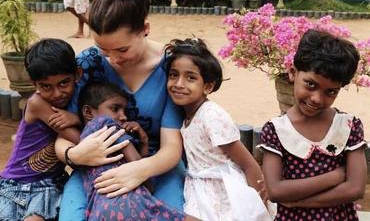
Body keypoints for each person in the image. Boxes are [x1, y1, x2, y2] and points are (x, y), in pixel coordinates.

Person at [55, 0, 186, 220]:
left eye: (122, 49)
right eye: (104, 50)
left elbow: (171, 148)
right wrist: (75, 155)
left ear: (145, 29)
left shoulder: (171, 67)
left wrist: (139, 169)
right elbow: (63, 139)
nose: (113, 59)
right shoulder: (89, 63)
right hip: (95, 168)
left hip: (157, 165)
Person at [258, 29, 368, 220]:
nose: (317, 98)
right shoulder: (276, 130)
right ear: (293, 73)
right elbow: (276, 191)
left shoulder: (348, 126)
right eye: (310, 84)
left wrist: (298, 201)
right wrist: (336, 176)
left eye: (331, 92)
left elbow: (355, 188)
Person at [166, 38, 272, 220]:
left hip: (223, 191)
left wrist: (257, 205)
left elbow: (248, 163)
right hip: (198, 187)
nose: (179, 84)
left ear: (207, 86)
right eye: (174, 75)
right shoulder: (187, 115)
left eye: (190, 77)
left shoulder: (211, 116)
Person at [77, 82, 195, 220]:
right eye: (115, 109)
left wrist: (142, 143)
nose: (123, 116)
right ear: (88, 112)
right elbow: (144, 178)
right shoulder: (106, 124)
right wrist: (144, 142)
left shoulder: (82, 143)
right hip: (128, 203)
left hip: (99, 211)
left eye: (124, 111)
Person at [0, 39, 81, 221]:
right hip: (17, 183)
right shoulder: (38, 103)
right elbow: (79, 139)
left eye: (63, 83)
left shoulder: (76, 100)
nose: (56, 94)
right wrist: (77, 119)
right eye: (46, 86)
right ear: (34, 84)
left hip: (51, 183)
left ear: (77, 74)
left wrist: (75, 117)